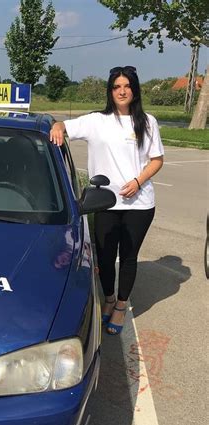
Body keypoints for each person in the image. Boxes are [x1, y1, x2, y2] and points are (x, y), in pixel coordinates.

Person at [50, 65, 164, 335]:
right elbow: (63, 126)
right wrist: (57, 126)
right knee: (104, 254)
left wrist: (137, 182)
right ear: (110, 91)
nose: (122, 91)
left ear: (134, 90)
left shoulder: (147, 122)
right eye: (116, 86)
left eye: (127, 86)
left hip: (139, 203)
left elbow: (157, 160)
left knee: (127, 256)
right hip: (104, 203)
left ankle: (121, 306)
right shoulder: (96, 121)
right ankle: (109, 298)